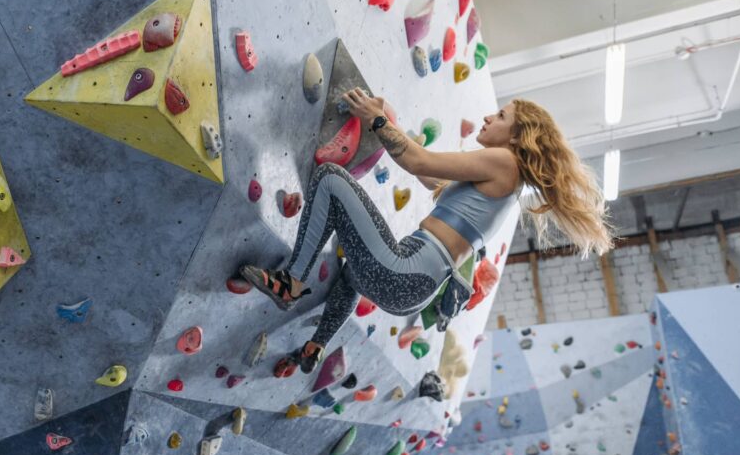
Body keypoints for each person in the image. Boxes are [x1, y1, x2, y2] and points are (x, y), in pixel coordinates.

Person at [240, 88, 614, 374]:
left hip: (406, 270)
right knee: (353, 275)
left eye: (500, 116)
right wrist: (388, 124)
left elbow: (419, 159)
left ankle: (290, 282)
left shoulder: (504, 161)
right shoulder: (506, 183)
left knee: (330, 179)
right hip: (412, 288)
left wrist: (378, 121)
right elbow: (428, 175)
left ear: (517, 137)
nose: (487, 118)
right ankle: (316, 346)